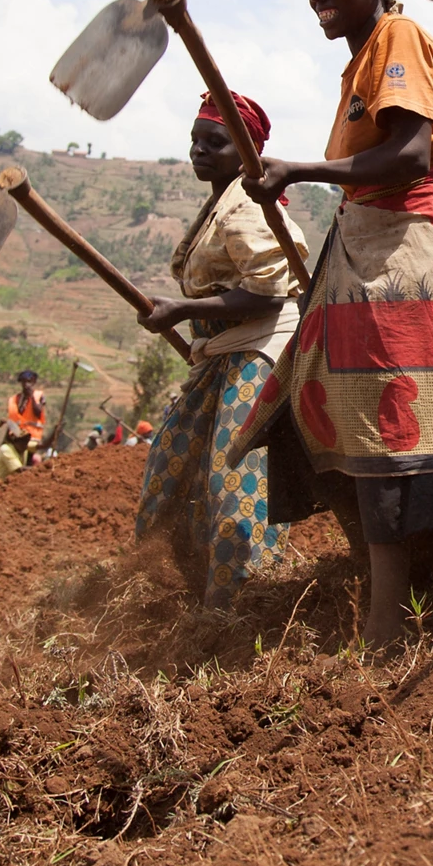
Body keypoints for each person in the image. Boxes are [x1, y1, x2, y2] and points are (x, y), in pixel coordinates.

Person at [233, 0, 433, 649]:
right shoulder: (362, 59)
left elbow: (410, 154)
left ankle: (390, 620)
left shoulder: (398, 34)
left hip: (408, 255)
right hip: (370, 249)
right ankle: (402, 581)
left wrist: (304, 167)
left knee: (390, 420)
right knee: (330, 411)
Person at [131, 89, 308, 609]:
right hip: (222, 351)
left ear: (245, 152)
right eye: (195, 140)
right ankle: (165, 588)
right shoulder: (221, 202)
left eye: (215, 141)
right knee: (171, 455)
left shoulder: (249, 207)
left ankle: (242, 603)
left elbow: (272, 290)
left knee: (235, 479)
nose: (199, 150)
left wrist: (183, 311)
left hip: (261, 348)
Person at [0, 370, 44, 479]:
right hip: (16, 439)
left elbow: (38, 412)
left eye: (29, 381)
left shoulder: (38, 396)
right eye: (24, 382)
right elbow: (11, 421)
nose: (26, 384)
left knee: (27, 463)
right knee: (15, 464)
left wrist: (31, 396)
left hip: (31, 439)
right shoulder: (14, 399)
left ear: (34, 382)